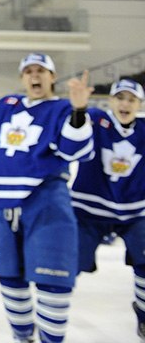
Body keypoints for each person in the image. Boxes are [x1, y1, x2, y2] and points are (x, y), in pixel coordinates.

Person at [0, 53, 94, 343]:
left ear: (52, 77)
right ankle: (22, 338)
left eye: (41, 71)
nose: (35, 76)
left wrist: (79, 110)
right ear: (23, 78)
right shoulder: (6, 105)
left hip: (45, 201)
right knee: (10, 278)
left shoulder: (62, 108)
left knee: (52, 279)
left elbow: (74, 150)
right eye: (29, 71)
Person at [70, 78, 145, 341]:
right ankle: (48, 313)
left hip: (134, 213)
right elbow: (74, 124)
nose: (125, 104)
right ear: (111, 101)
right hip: (88, 211)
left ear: (139, 105)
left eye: (131, 100)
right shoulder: (96, 119)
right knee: (68, 266)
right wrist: (78, 108)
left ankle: (144, 313)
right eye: (120, 98)